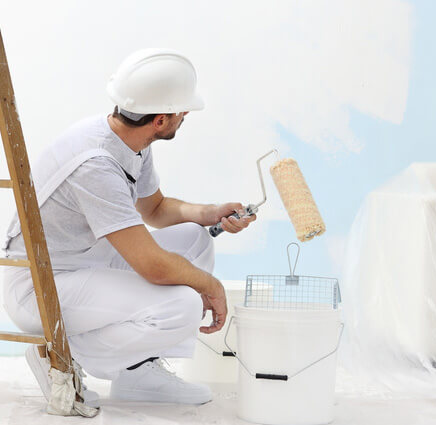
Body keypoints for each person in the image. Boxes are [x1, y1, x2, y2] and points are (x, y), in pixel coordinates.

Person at [1, 49, 256, 405]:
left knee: (195, 240)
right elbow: (152, 265)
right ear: (161, 120)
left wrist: (210, 212)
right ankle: (57, 353)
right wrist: (211, 286)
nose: (185, 116)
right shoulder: (95, 164)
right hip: (41, 285)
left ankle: (137, 373)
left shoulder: (130, 140)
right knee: (182, 305)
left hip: (84, 260)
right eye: (182, 112)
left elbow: (154, 209)